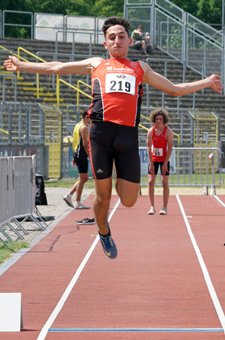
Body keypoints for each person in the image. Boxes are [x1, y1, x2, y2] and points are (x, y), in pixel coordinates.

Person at [4, 16, 222, 259]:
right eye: (111, 37)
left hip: (128, 136)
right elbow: (57, 67)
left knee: (129, 200)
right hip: (101, 134)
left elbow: (174, 89)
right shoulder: (96, 64)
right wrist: (22, 65)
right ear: (105, 44)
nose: (117, 41)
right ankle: (103, 229)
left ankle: (117, 175)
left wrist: (207, 81)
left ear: (130, 41)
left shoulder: (140, 68)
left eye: (121, 37)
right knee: (103, 197)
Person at [147, 108, 173, 216]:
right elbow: (148, 148)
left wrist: (165, 163)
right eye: (157, 119)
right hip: (154, 159)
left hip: (164, 160)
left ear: (164, 120)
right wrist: (151, 163)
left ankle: (164, 207)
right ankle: (152, 206)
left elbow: (170, 148)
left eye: (160, 119)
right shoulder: (151, 131)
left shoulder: (168, 132)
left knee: (164, 182)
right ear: (154, 119)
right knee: (150, 182)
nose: (158, 121)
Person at [63, 109, 91, 209]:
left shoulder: (77, 125)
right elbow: (84, 144)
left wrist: (75, 156)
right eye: (90, 117)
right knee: (82, 179)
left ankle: (69, 196)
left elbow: (74, 142)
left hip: (77, 154)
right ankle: (77, 202)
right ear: (86, 117)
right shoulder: (83, 128)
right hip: (81, 154)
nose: (91, 119)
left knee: (85, 178)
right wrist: (89, 155)